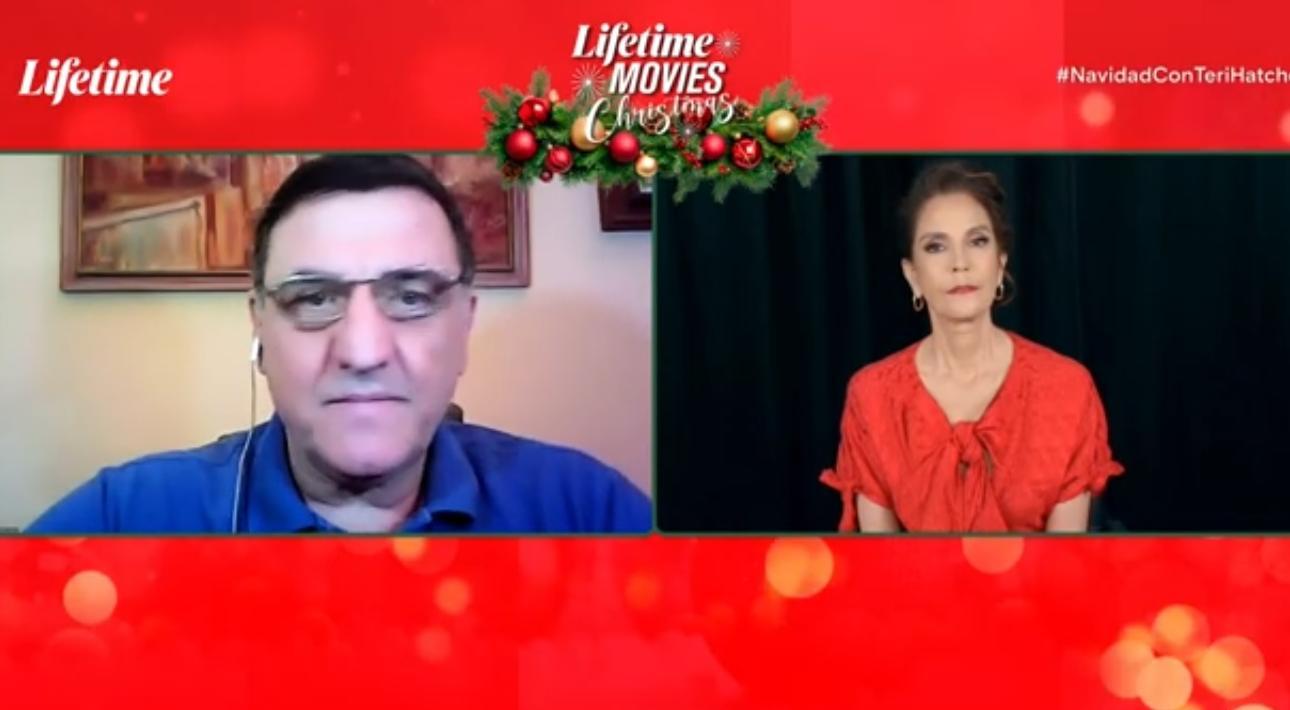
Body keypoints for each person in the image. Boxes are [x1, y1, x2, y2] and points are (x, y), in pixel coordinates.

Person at [29, 154, 652, 533]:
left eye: (411, 296)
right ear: (259, 327)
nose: (362, 351)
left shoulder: (585, 509)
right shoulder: (127, 516)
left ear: (464, 326)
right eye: (313, 298)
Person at [819, 161, 1123, 532]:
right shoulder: (871, 396)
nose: (960, 263)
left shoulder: (1067, 388)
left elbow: (1062, 558)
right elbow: (883, 557)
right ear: (912, 275)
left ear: (1000, 264)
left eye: (977, 241)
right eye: (936, 247)